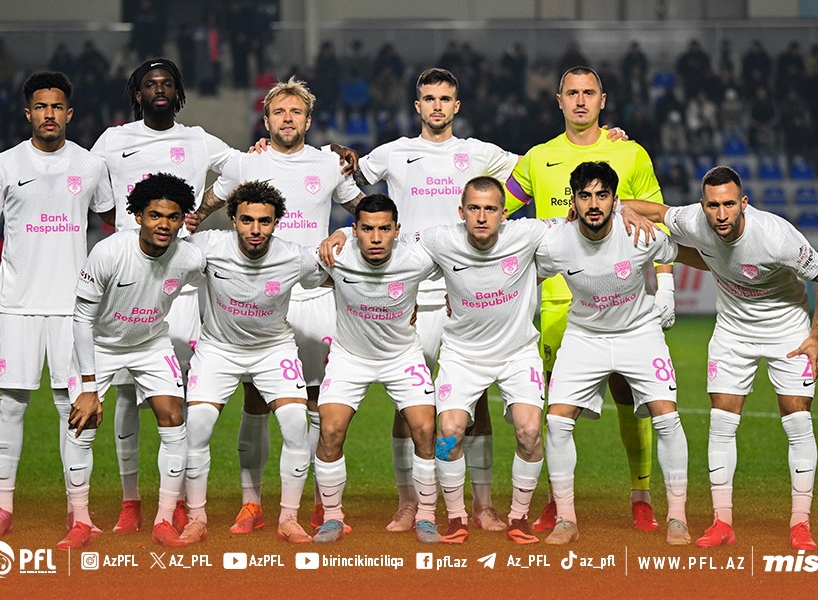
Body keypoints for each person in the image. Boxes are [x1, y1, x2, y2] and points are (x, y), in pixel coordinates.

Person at [187, 77, 363, 534]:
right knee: (255, 401)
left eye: (296, 112)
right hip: (257, 297)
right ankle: (252, 505)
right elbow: (200, 213)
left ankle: (320, 504)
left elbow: (369, 213)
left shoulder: (329, 164)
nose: (288, 119)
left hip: (314, 295)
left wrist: (344, 230)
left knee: (315, 404)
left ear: (308, 119)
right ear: (265, 121)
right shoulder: (247, 162)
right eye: (279, 112)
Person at [352, 68, 521, 533]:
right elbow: (344, 180)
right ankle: (410, 502)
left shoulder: (480, 153)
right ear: (417, 106)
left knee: (475, 402)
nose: (438, 106)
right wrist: (357, 233)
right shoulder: (393, 152)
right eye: (429, 98)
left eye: (446, 98)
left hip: (464, 297)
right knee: (408, 406)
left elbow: (538, 170)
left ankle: (481, 504)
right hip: (409, 297)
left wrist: (603, 137)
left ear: (457, 106)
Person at [505, 65, 673, 532]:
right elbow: (498, 208)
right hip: (559, 304)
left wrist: (665, 286)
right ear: (559, 100)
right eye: (572, 93)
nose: (580, 100)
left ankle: (641, 496)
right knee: (559, 410)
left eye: (589, 92)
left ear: (603, 100)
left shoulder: (629, 153)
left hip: (623, 302)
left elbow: (657, 223)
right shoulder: (538, 158)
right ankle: (557, 501)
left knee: (630, 398)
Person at [621, 166, 818, 551]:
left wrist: (815, 336)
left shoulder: (776, 236)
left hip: (788, 329)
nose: (721, 214)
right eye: (713, 206)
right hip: (733, 331)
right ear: (703, 205)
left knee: (797, 422)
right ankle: (722, 522)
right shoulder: (694, 220)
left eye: (729, 204)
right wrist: (616, 209)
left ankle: (800, 524)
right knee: (721, 423)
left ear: (744, 202)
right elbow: (657, 211)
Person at [91, 58, 238, 535]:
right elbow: (95, 191)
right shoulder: (113, 140)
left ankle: (174, 501)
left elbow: (241, 169)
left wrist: (204, 209)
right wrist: (122, 226)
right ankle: (130, 500)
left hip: (181, 280)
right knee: (127, 396)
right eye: (150, 84)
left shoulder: (198, 139)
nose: (159, 89)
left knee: (179, 397)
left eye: (167, 83)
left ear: (178, 93)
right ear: (137, 94)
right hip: (129, 276)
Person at [537, 161, 701, 546]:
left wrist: (730, 263)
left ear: (615, 200)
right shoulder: (557, 242)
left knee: (667, 417)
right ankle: (566, 519)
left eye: (602, 195)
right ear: (573, 202)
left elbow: (683, 254)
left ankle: (677, 518)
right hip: (585, 336)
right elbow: (521, 275)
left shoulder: (638, 234)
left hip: (639, 333)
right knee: (557, 421)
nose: (594, 204)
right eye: (585, 196)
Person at [58, 173, 205, 550]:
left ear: (182, 220)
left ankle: (164, 519)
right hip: (102, 345)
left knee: (173, 416)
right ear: (138, 216)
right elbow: (81, 319)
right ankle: (81, 520)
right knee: (82, 423)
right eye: (155, 215)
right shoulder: (109, 252)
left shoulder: (190, 257)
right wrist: (89, 388)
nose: (164, 224)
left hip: (152, 343)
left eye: (173, 217)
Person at [181, 181, 327, 545]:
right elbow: (161, 262)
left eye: (265, 221)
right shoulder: (208, 246)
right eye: (247, 220)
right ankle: (196, 518)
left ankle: (288, 519)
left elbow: (339, 274)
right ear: (233, 220)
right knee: (197, 425)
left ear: (277, 222)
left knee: (295, 423)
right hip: (219, 349)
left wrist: (340, 237)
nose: (256, 229)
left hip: (273, 350)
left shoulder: (293, 256)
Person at [0, 71, 115, 538]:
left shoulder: (90, 165)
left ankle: (80, 512)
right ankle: (3, 506)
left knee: (75, 406)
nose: (49, 114)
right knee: (9, 408)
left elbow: (112, 222)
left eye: (56, 107)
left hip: (73, 308)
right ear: (28, 112)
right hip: (15, 305)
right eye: (40, 107)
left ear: (69, 113)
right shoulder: (5, 164)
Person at [421, 177, 549, 545]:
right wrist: (341, 237)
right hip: (462, 355)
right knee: (448, 433)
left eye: (490, 208)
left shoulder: (527, 234)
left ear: (504, 213)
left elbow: (582, 227)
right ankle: (456, 516)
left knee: (529, 431)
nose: (481, 216)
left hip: (517, 353)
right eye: (474, 208)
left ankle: (519, 516)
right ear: (461, 212)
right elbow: (391, 253)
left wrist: (626, 211)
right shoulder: (440, 239)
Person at [311, 194, 440, 544]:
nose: (377, 237)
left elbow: (461, 259)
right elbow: (292, 268)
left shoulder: (416, 259)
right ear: (355, 231)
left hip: (402, 356)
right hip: (350, 357)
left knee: (425, 429)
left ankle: (426, 516)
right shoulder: (336, 256)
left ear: (398, 230)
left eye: (384, 229)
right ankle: (332, 518)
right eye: (367, 229)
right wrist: (335, 235)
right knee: (330, 430)